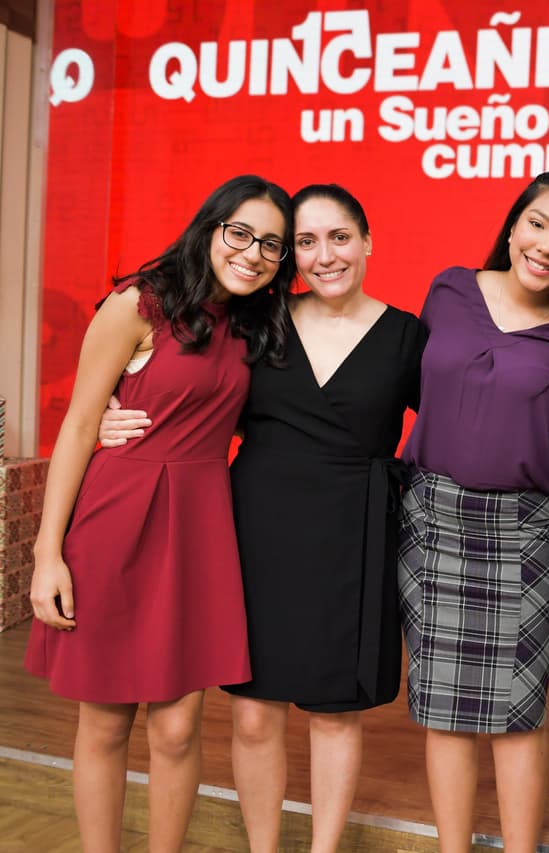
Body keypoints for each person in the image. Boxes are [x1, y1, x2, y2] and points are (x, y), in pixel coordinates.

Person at [97, 184, 426, 851]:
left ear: (368, 241)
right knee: (251, 715)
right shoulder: (259, 321)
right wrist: (107, 401)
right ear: (290, 257)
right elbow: (166, 360)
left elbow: (462, 413)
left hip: (353, 535)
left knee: (336, 716)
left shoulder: (407, 336)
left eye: (339, 237)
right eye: (306, 241)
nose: (325, 254)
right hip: (253, 528)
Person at [25, 174, 294, 853]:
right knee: (107, 722)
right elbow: (82, 426)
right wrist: (46, 553)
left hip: (200, 525)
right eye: (241, 232)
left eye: (271, 244)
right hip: (117, 517)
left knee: (177, 729)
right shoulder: (137, 306)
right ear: (209, 227)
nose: (253, 252)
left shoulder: (257, 324)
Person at [396, 172, 549, 853]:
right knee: (443, 711)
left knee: (518, 714)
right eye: (539, 223)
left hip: (524, 534)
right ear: (513, 225)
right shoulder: (450, 289)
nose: (548, 245)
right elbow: (405, 386)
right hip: (432, 524)